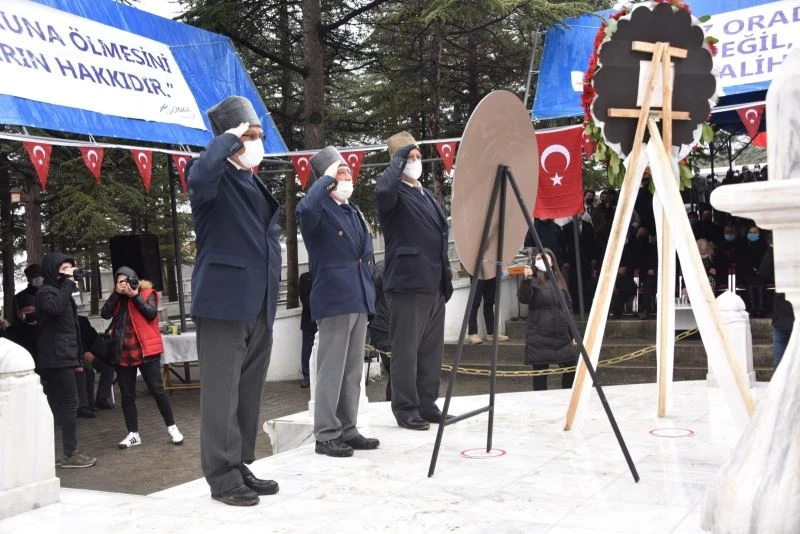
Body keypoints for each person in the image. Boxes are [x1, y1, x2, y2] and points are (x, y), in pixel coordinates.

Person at [187, 95, 281, 506]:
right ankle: (221, 476)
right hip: (223, 302)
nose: (257, 141)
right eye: (250, 135)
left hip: (258, 303)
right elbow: (202, 175)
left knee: (247, 391)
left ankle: (239, 462)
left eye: (258, 134)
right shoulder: (209, 172)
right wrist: (228, 138)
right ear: (231, 139)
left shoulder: (250, 179)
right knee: (222, 393)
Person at [297, 146, 379, 458]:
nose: (347, 176)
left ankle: (348, 427)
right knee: (331, 369)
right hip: (335, 297)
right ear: (327, 180)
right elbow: (305, 211)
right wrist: (325, 181)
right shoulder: (318, 210)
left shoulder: (352, 209)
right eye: (339, 172)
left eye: (346, 171)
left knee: (352, 370)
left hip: (358, 296)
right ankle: (326, 433)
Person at [376, 131, 454, 431]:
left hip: (434, 283)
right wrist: (398, 158)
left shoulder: (425, 194)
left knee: (430, 351)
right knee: (406, 351)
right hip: (407, 283)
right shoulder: (393, 194)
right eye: (409, 157)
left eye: (418, 156)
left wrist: (445, 280)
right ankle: (405, 408)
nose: (415, 162)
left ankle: (426, 402)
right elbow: (383, 191)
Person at [100, 267, 183, 449]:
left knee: (157, 390)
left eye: (126, 280)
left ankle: (172, 427)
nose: (124, 284)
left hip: (146, 350)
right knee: (127, 395)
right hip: (123, 351)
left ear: (134, 279)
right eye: (119, 282)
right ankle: (133, 433)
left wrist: (134, 295)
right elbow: (104, 313)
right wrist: (116, 294)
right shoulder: (117, 299)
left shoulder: (147, 293)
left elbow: (151, 313)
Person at [35, 252, 96, 468]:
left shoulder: (61, 292)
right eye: (64, 269)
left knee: (64, 405)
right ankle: (70, 453)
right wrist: (68, 285)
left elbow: (72, 331)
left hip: (65, 357)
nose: (69, 273)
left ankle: (60, 452)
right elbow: (54, 309)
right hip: (54, 358)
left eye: (71, 268)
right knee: (67, 404)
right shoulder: (45, 293)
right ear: (53, 270)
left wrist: (77, 361)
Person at [518, 249, 576, 391]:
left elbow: (568, 308)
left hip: (561, 334)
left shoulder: (559, 280)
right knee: (540, 374)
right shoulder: (531, 279)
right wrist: (525, 280)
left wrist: (573, 333)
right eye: (539, 258)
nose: (542, 261)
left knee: (571, 368)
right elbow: (524, 299)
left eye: (546, 258)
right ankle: (540, 403)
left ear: (552, 261)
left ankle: (565, 399)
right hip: (539, 335)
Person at [760, 246, 793, 368]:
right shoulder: (779, 252)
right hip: (782, 317)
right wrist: (772, 248)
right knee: (780, 364)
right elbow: (764, 271)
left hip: (790, 316)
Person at [78, 315, 115, 410]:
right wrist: (83, 353)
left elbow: (93, 337)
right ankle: (88, 403)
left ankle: (101, 399)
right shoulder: (66, 322)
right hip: (76, 355)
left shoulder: (82, 320)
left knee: (108, 366)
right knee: (88, 369)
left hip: (90, 352)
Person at [368, 260, 392, 401]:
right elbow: (379, 278)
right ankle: (393, 405)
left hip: (386, 327)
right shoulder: (383, 269)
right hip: (382, 329)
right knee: (397, 373)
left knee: (398, 374)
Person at [466, 276, 508, 344]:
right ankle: (472, 334)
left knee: (490, 302)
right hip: (477, 272)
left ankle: (491, 333)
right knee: (474, 302)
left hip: (491, 272)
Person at [298, 269, 316, 389]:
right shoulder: (304, 277)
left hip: (324, 319)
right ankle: (307, 376)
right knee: (307, 349)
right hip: (309, 320)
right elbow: (304, 298)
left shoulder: (324, 274)